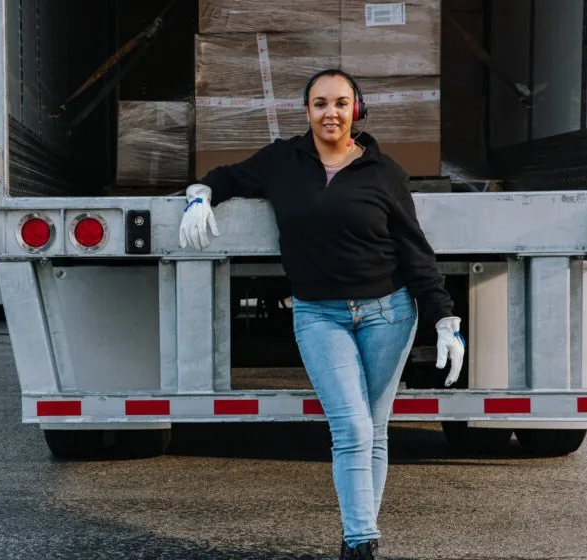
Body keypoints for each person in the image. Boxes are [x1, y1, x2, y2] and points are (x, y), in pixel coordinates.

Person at [178, 69, 466, 560]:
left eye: (340, 102)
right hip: (319, 315)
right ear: (307, 110)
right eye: (319, 103)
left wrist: (443, 318)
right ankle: (360, 541)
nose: (330, 113)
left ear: (356, 108)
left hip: (389, 313)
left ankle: (361, 538)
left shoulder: (385, 173)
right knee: (351, 428)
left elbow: (416, 253)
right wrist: (200, 195)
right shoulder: (282, 161)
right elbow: (226, 176)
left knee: (374, 430)